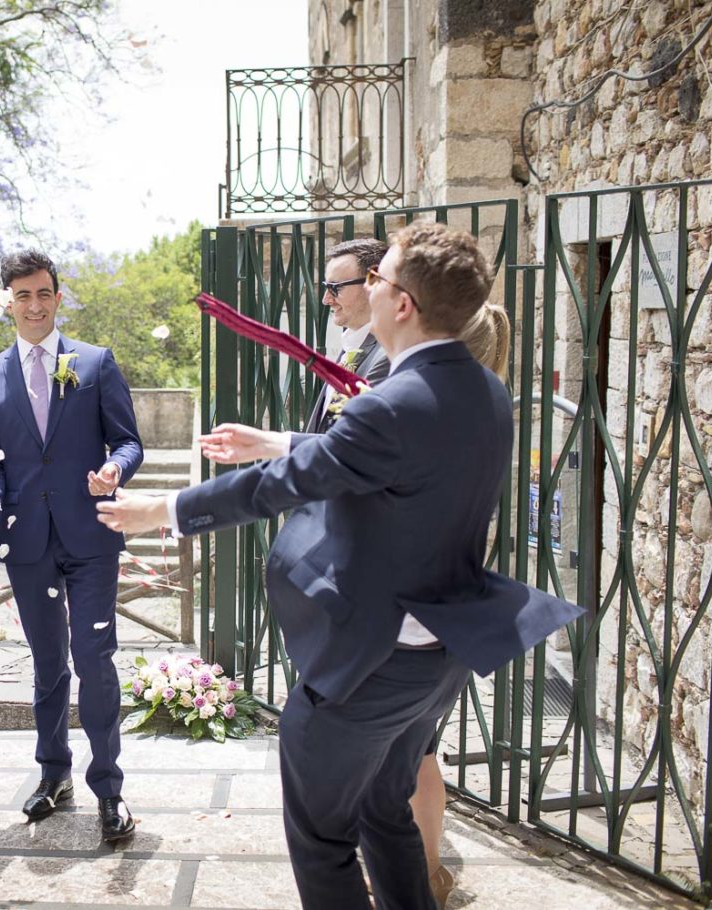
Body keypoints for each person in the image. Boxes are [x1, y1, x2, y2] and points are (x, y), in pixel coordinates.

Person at [95, 223, 580, 909]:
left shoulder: (393, 403)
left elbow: (280, 483)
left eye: (378, 278)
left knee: (322, 841)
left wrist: (164, 511)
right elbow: (366, 460)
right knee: (386, 812)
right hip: (439, 649)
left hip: (371, 662)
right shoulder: (482, 390)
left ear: (402, 303)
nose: (370, 288)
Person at [0, 250, 144, 843]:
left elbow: (127, 442)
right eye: (23, 296)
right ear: (9, 303)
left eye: (44, 294)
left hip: (91, 535)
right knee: (46, 663)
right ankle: (53, 774)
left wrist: (115, 472)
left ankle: (110, 790)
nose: (35, 306)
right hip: (28, 540)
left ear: (57, 297)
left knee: (94, 660)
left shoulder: (95, 363)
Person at [409, 298, 514, 906]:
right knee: (424, 750)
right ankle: (426, 869)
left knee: (401, 753)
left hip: (415, 610)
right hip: (457, 602)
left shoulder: (435, 419)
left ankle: (412, 874)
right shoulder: (489, 411)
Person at [305, 238, 391, 433]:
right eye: (326, 287)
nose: (326, 300)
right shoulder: (352, 344)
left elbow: (353, 440)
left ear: (374, 284)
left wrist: (278, 444)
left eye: (336, 288)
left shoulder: (387, 356)